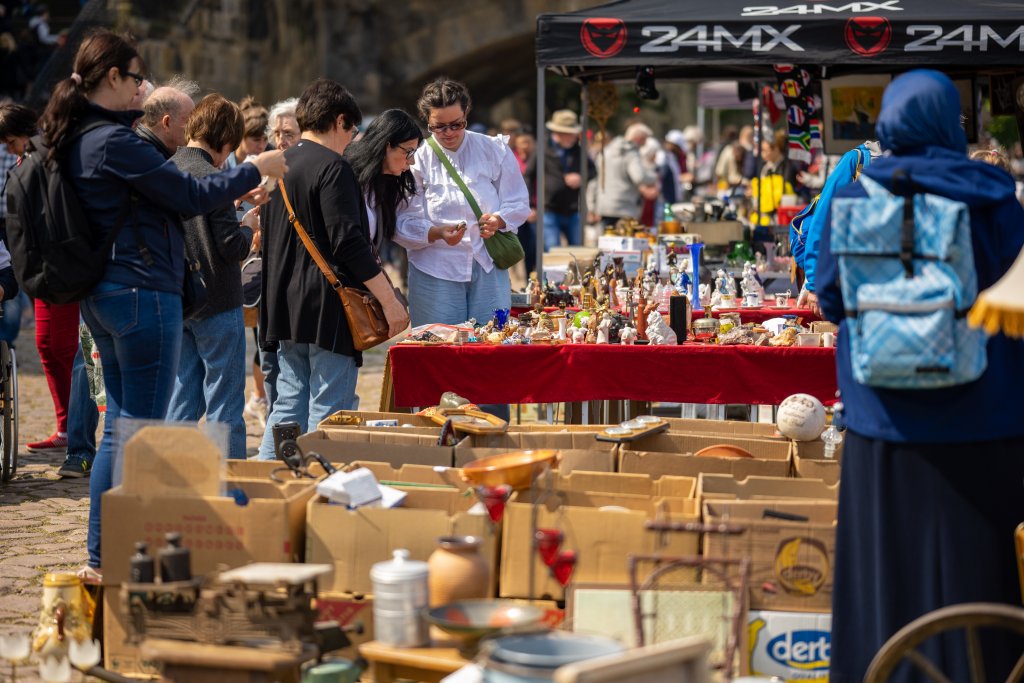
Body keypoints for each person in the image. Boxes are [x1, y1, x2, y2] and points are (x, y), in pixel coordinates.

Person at [37, 29, 287, 575]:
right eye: (135, 78)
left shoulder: (82, 136)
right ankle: (126, 551)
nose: (141, 89)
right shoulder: (115, 141)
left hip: (105, 294)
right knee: (144, 432)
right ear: (112, 79)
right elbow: (189, 196)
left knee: (124, 427)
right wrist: (254, 169)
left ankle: (109, 551)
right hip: (140, 294)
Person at [817, 69, 1024, 682]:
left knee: (886, 575)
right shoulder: (993, 197)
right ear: (949, 127)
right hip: (982, 422)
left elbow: (830, 296)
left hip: (884, 426)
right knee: (975, 572)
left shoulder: (857, 196)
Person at [256, 78, 405, 459]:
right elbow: (349, 243)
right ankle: (326, 493)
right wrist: (389, 302)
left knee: (287, 406)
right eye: (352, 130)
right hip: (326, 305)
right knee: (330, 410)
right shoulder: (334, 168)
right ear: (339, 121)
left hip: (283, 304)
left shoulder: (279, 166)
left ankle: (270, 483)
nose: (352, 139)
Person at [167, 94, 260, 460]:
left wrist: (233, 207)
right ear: (224, 141)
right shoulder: (215, 178)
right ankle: (227, 481)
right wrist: (248, 228)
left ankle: (172, 478)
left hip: (179, 299)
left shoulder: (166, 170)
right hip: (218, 301)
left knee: (182, 400)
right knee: (224, 405)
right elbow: (229, 246)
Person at [396, 77, 530, 328]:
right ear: (427, 121)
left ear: (466, 115)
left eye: (457, 124)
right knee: (438, 348)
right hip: (435, 267)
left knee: (491, 344)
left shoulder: (492, 148)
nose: (449, 133)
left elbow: (518, 201)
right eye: (439, 127)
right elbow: (403, 219)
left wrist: (498, 220)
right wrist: (435, 233)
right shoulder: (418, 158)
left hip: (487, 263)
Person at [244, 96, 299, 428]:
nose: (281, 139)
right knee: (269, 358)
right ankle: (276, 418)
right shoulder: (261, 168)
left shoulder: (306, 169)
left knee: (290, 361)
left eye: (288, 131)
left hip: (295, 280)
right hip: (267, 281)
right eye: (276, 132)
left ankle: (287, 425)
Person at [344, 108, 422, 251]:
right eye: (408, 151)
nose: (412, 161)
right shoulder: (343, 175)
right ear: (386, 145)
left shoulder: (385, 183)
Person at [527, 110, 594, 251]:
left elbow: (593, 171)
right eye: (570, 133)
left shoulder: (578, 150)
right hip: (548, 209)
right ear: (558, 133)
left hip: (574, 209)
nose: (574, 137)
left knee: (577, 251)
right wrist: (529, 205)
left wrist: (581, 178)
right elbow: (528, 175)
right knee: (552, 252)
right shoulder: (542, 149)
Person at [587, 122, 658, 228]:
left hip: (603, 207)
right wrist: (654, 177)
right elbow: (639, 177)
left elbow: (594, 181)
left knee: (605, 241)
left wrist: (591, 206)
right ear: (638, 138)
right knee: (624, 242)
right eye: (644, 140)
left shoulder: (606, 151)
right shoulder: (630, 152)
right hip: (624, 207)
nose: (644, 144)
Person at [134, 78, 198, 159]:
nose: (194, 130)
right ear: (167, 123)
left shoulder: (134, 146)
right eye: (189, 121)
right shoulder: (151, 162)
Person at [748, 130, 797, 227]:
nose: (763, 154)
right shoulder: (764, 167)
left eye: (765, 150)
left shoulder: (787, 167)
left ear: (776, 149)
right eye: (761, 150)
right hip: (762, 215)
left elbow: (785, 193)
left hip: (779, 216)